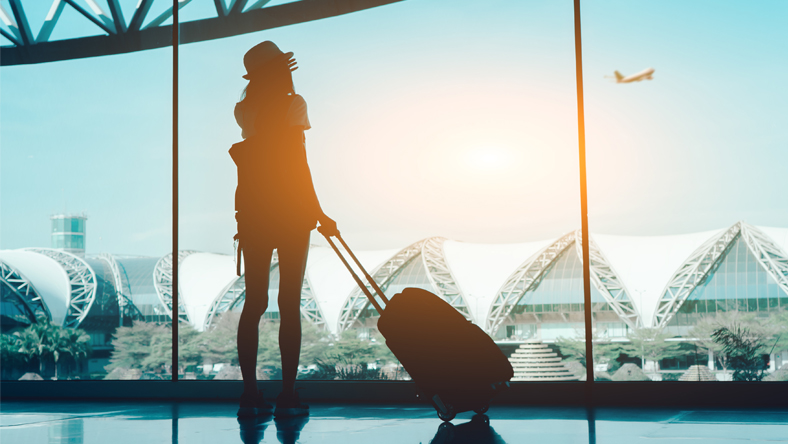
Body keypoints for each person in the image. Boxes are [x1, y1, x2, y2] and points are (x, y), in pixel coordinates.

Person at [230, 41, 337, 418]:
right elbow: (296, 162)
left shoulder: (245, 110)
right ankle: (288, 394)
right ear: (280, 70)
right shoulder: (294, 104)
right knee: (288, 304)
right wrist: (319, 212)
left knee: (254, 303)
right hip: (291, 212)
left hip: (254, 213)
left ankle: (249, 393)